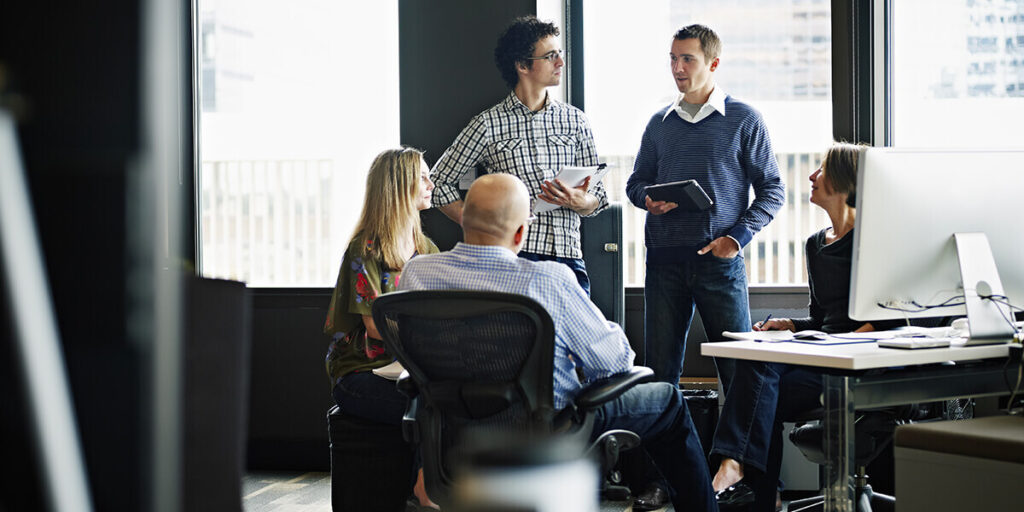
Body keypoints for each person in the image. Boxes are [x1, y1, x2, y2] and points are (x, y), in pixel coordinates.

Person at [399, 173, 718, 512]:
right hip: (549, 430)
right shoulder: (548, 279)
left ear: (464, 219)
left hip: (453, 430)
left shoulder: (418, 274)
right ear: (522, 232)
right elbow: (614, 362)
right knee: (668, 400)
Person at [709, 142, 900, 511]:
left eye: (822, 169)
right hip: (824, 359)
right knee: (762, 385)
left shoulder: (877, 241)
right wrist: (792, 324)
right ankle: (755, 492)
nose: (812, 176)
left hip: (859, 367)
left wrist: (846, 339)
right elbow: (824, 319)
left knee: (758, 387)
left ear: (847, 180)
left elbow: (893, 318)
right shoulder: (816, 245)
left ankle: (737, 473)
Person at [625, 23, 786, 390]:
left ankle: (736, 451)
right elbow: (635, 184)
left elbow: (773, 190)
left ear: (713, 64)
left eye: (687, 59)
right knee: (660, 377)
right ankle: (672, 451)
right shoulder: (658, 125)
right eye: (673, 59)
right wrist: (647, 200)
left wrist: (737, 240)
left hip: (719, 262)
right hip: (664, 263)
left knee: (739, 373)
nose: (677, 68)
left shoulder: (744, 119)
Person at [430, 16, 607, 295]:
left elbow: (599, 198)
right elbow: (438, 183)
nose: (560, 62)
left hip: (569, 261)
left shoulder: (576, 121)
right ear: (522, 65)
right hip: (513, 261)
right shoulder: (488, 124)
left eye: (560, 54)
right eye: (550, 56)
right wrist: (477, 222)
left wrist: (580, 200)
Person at [323, 147, 439, 509]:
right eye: (422, 176)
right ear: (398, 185)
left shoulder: (426, 248)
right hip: (361, 375)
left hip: (407, 370)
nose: (430, 183)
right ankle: (424, 494)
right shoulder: (365, 250)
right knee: (433, 411)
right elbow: (377, 328)